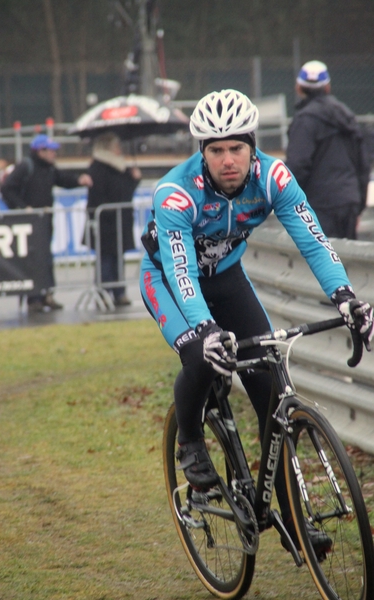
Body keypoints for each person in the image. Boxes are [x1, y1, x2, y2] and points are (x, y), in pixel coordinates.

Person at [139, 89, 374, 552]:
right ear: (201, 153)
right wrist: (204, 331)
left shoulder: (274, 178)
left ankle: (292, 523)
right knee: (202, 359)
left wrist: (345, 296)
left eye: (237, 148)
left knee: (270, 388)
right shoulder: (175, 195)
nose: (228, 160)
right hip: (168, 281)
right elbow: (182, 274)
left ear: (252, 146)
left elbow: (313, 241)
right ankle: (189, 440)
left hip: (226, 279)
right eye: (216, 150)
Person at [0, 134, 93, 313]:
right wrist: (23, 207)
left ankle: (47, 295)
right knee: (32, 259)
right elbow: (7, 189)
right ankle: (34, 297)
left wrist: (78, 181)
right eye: (51, 150)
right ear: (40, 151)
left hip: (45, 221)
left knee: (46, 259)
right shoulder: (26, 166)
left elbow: (63, 180)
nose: (54, 154)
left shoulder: (49, 169)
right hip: (28, 223)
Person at [285, 60, 371, 239]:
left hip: (319, 206)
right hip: (349, 202)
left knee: (321, 262)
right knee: (344, 262)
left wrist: (290, 205)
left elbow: (297, 166)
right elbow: (362, 164)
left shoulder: (305, 121)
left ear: (299, 87)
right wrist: (358, 206)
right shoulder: (347, 117)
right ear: (327, 87)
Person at [86, 132, 142, 306]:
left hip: (120, 222)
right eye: (116, 146)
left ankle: (119, 292)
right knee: (105, 259)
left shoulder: (121, 168)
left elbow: (125, 193)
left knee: (118, 258)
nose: (120, 150)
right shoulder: (97, 168)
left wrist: (134, 180)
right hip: (106, 222)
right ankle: (103, 292)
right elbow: (99, 197)